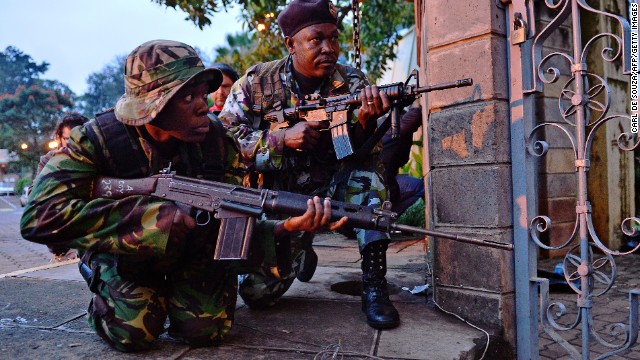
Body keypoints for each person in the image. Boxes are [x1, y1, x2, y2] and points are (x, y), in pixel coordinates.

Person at [20, 39, 345, 352]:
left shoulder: (218, 141)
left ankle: (168, 290)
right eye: (188, 97)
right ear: (153, 105)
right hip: (123, 256)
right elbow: (39, 216)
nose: (205, 105)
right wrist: (148, 222)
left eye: (203, 93)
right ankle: (106, 283)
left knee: (206, 330)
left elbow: (231, 229)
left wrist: (283, 229)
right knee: (134, 332)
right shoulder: (96, 140)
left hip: (192, 249)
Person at [219, 0, 400, 329]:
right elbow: (223, 141)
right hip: (281, 201)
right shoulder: (255, 83)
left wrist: (363, 122)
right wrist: (281, 139)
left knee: (369, 177)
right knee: (259, 296)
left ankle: (375, 284)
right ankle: (301, 248)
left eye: (334, 38)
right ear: (290, 44)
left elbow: (362, 151)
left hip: (333, 187)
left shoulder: (354, 82)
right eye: (317, 39)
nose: (329, 48)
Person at [36, 112, 89, 262]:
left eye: (79, 138)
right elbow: (36, 194)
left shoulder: (96, 159)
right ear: (59, 138)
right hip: (64, 241)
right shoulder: (48, 160)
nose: (74, 144)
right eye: (68, 139)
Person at [379, 106, 425, 215]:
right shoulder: (390, 127)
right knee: (418, 186)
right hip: (379, 186)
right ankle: (387, 219)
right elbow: (416, 114)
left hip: (377, 182)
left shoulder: (377, 124)